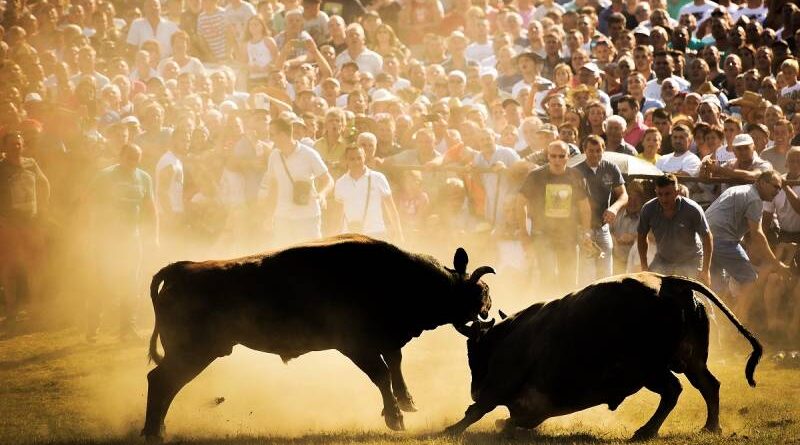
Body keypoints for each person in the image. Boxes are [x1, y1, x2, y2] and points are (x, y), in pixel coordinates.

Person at [86, 143, 159, 342]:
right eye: (129, 157)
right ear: (120, 156)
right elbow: (90, 202)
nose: (133, 161)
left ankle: (127, 328)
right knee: (102, 281)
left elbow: (150, 208)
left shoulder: (144, 178)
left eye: (136, 158)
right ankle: (93, 327)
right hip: (107, 238)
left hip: (132, 238)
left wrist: (154, 234)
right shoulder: (105, 176)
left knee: (131, 283)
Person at [705, 170, 788, 323]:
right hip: (723, 240)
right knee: (750, 279)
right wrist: (776, 263)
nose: (777, 191)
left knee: (715, 285)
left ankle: (716, 324)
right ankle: (736, 325)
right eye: (775, 186)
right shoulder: (754, 199)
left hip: (706, 239)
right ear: (762, 182)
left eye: (780, 189)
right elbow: (757, 235)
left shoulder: (737, 190)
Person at [517, 141, 591, 294]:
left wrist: (586, 232)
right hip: (542, 234)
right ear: (548, 157)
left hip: (568, 235)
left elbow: (585, 207)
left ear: (568, 157)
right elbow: (520, 203)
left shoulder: (576, 176)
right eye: (553, 156)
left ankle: (568, 315)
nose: (557, 160)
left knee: (569, 281)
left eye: (561, 156)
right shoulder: (536, 176)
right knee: (548, 278)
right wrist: (523, 232)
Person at [0, 131, 50, 334]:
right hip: (10, 224)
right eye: (13, 144)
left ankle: (35, 309)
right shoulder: (1, 167)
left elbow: (44, 183)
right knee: (10, 267)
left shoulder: (31, 163)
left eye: (19, 143)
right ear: (5, 147)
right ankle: (11, 311)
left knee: (34, 267)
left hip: (31, 222)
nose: (17, 147)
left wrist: (43, 208)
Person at [260, 113, 333, 247]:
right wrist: (269, 215)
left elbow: (328, 180)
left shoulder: (309, 154)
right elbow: (273, 186)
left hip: (308, 216)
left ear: (283, 135)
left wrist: (322, 194)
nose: (270, 138)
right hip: (282, 217)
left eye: (272, 134)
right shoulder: (274, 156)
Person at [637, 173, 713, 284]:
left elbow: (707, 238)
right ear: (655, 192)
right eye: (660, 194)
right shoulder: (648, 209)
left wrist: (706, 270)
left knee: (698, 293)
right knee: (648, 288)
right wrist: (644, 267)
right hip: (663, 260)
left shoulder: (692, 209)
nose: (663, 199)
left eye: (667, 194)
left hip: (691, 260)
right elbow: (641, 236)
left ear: (677, 192)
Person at [575, 135, 628, 283]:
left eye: (598, 150)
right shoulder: (576, 171)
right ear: (584, 151)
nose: (595, 154)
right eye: (591, 151)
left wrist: (615, 208)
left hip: (603, 227)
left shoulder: (610, 168)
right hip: (583, 228)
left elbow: (623, 195)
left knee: (606, 275)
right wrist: (584, 230)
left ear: (603, 150)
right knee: (588, 275)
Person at [334, 145, 403, 241]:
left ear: (364, 158)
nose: (356, 162)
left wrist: (399, 234)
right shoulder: (340, 183)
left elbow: (391, 208)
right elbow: (338, 214)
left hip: (376, 233)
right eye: (352, 159)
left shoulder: (378, 178)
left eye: (359, 158)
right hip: (349, 235)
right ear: (346, 160)